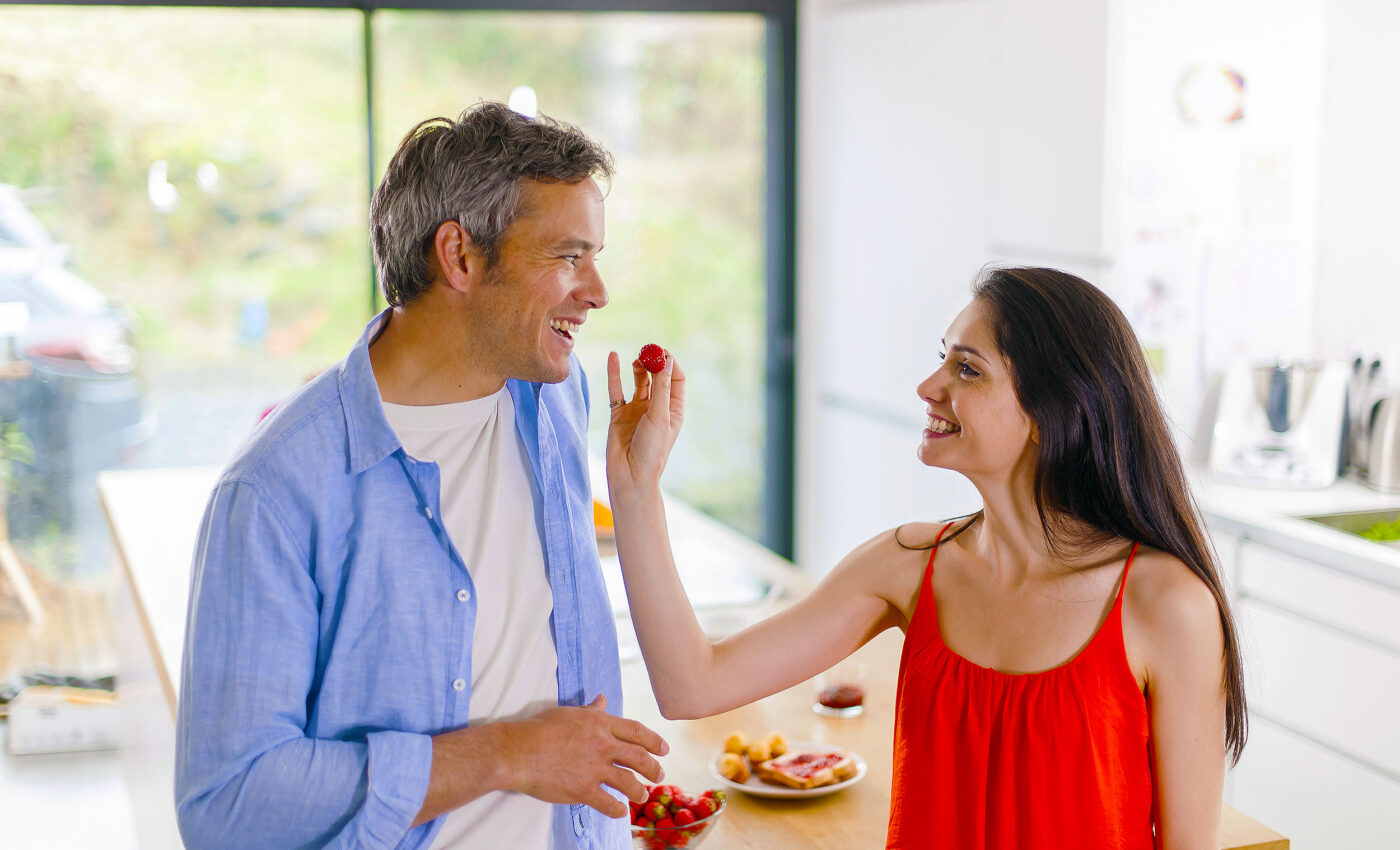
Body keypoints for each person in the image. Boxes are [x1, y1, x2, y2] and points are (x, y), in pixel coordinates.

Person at [605, 266, 1247, 849]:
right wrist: (637, 492)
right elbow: (692, 685)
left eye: (968, 369)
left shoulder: (1166, 604)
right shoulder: (907, 565)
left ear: (1053, 411)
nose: (928, 385)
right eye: (944, 359)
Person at [176, 102, 668, 850]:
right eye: (568, 256)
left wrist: (638, 491)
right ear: (461, 258)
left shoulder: (556, 395)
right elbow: (229, 806)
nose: (597, 291)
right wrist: (511, 753)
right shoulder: (277, 491)